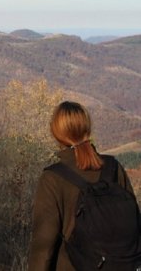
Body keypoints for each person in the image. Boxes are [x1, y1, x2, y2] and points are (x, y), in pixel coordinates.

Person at [28, 101, 138, 271]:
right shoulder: (113, 167)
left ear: (56, 133)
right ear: (87, 129)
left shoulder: (52, 178)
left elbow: (44, 245)